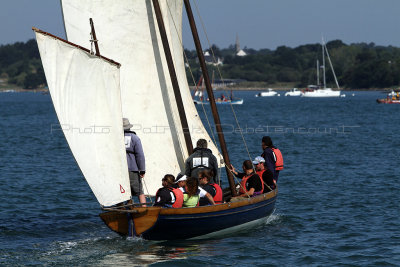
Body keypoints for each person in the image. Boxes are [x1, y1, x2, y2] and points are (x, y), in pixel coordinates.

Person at [124, 118, 146, 206]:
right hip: (132, 168)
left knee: (122, 191)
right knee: (139, 191)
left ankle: (123, 209)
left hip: (119, 169)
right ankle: (144, 207)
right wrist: (142, 169)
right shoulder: (134, 138)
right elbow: (140, 155)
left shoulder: (116, 138)